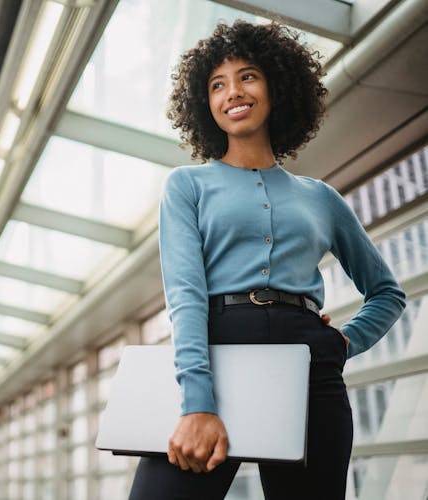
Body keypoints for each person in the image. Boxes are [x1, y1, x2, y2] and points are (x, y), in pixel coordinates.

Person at [128, 20, 406, 500]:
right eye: (217, 84)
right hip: (216, 356)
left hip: (309, 370)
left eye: (248, 76)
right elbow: (186, 296)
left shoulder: (321, 198)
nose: (233, 92)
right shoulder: (186, 186)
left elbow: (387, 292)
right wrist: (197, 403)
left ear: (277, 87)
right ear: (204, 102)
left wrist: (342, 342)